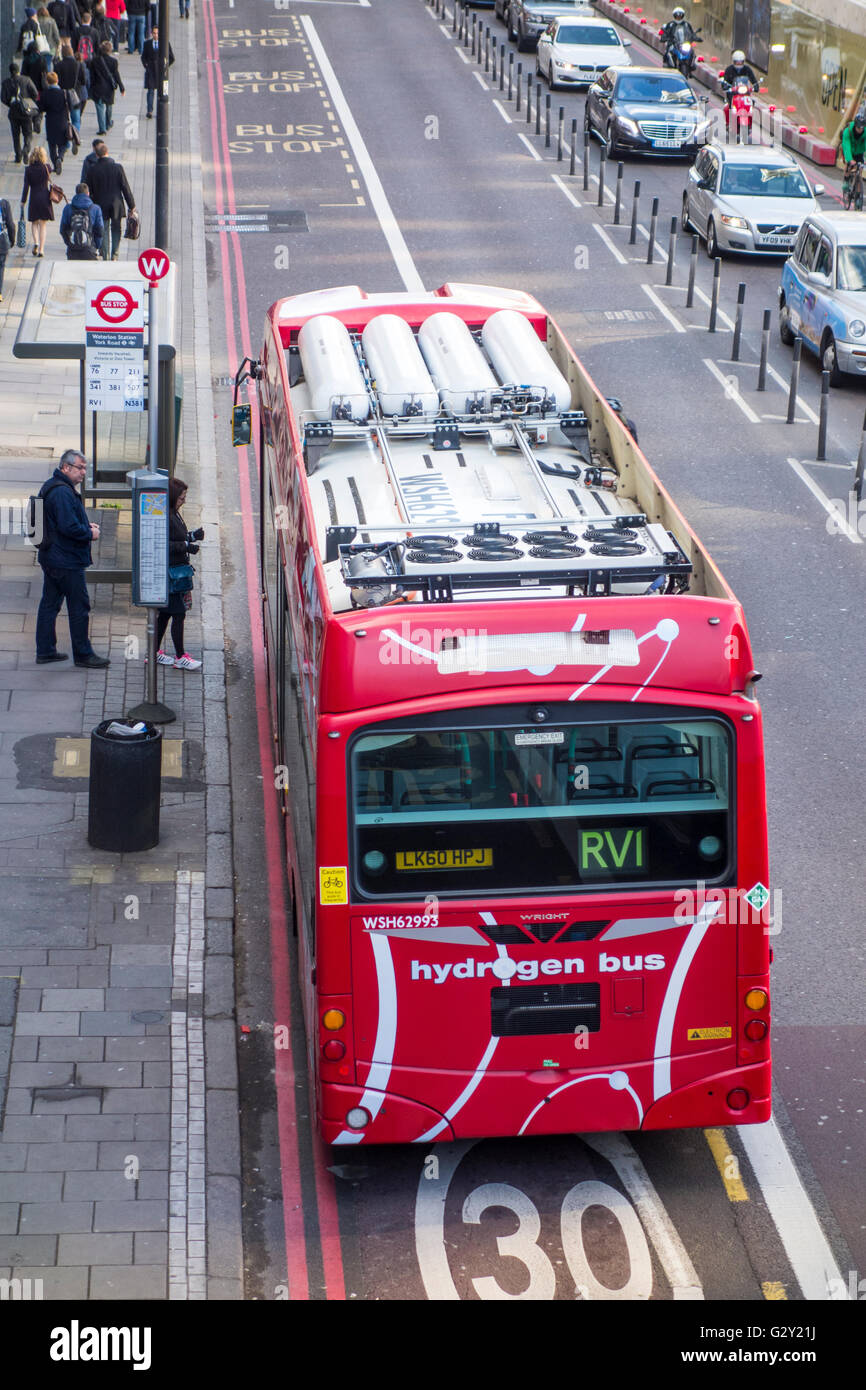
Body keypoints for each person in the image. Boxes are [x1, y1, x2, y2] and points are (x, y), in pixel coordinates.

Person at [35, 449, 109, 668]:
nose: (84, 472)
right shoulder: (62, 492)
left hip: (52, 556)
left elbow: (60, 522)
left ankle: (46, 650)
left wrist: (85, 525)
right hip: (65, 560)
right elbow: (68, 527)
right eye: (80, 468)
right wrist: (90, 533)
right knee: (79, 607)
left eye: (85, 468)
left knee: (50, 604)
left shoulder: (54, 485)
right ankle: (83, 654)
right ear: (66, 467)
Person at [157, 477, 203, 671]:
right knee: (178, 614)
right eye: (181, 498)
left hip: (175, 572)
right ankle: (180, 656)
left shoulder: (173, 513)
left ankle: (154, 653)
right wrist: (185, 545)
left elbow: (177, 536)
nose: (184, 501)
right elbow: (162, 544)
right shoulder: (165, 516)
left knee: (165, 615)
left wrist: (192, 536)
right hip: (171, 574)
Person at [84, 139, 134, 258]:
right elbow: (125, 187)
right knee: (116, 228)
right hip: (116, 204)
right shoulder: (118, 168)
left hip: (100, 204)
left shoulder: (92, 170)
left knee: (104, 229)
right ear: (108, 153)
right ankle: (115, 254)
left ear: (97, 155)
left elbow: (88, 190)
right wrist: (132, 205)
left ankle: (105, 255)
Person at [1, 61, 39, 163]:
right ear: (18, 70)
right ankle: (26, 149)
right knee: (28, 133)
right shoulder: (26, 80)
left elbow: (3, 98)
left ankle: (18, 156)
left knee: (15, 135)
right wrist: (29, 101)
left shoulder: (6, 82)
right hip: (26, 111)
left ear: (10, 71)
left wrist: (10, 103)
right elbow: (35, 93)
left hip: (13, 112)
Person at [20, 145, 54, 257]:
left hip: (34, 198)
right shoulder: (47, 167)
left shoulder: (28, 170)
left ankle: (35, 242)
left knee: (34, 223)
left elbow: (26, 187)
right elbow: (52, 170)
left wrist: (23, 201)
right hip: (45, 197)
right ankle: (41, 249)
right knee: (43, 225)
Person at [88, 37, 123, 133]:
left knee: (99, 107)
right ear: (110, 50)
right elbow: (116, 75)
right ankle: (108, 123)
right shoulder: (114, 61)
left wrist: (90, 88)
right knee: (109, 106)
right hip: (109, 88)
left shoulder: (95, 61)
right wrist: (121, 87)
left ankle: (102, 128)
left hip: (98, 87)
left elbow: (91, 76)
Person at [59, 181, 102, 258]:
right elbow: (100, 230)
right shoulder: (95, 209)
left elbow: (63, 229)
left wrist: (69, 243)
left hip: (73, 250)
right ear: (88, 193)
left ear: (76, 193)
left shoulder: (68, 208)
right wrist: (96, 246)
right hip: (90, 250)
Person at [39, 70, 69, 173]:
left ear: (47, 81)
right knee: (63, 143)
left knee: (52, 145)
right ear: (57, 80)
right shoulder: (64, 93)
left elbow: (41, 108)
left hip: (51, 122)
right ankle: (60, 157)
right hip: (62, 121)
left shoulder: (45, 94)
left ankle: (55, 163)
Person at [141, 25, 173, 119]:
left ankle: (161, 111)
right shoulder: (147, 43)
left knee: (162, 92)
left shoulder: (165, 43)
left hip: (161, 72)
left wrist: (165, 67)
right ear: (151, 33)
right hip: (150, 71)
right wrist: (146, 65)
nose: (155, 35)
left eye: (157, 33)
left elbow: (172, 58)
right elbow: (143, 57)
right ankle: (149, 111)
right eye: (154, 33)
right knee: (150, 91)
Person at [55, 38, 86, 134]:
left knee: (64, 119)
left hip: (62, 95)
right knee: (76, 119)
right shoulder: (78, 65)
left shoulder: (58, 65)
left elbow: (56, 81)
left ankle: (67, 138)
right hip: (75, 94)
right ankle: (75, 135)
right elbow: (84, 81)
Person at [0, 196, 15, 303]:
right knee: (0, 267)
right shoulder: (4, 204)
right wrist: (11, 240)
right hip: (1, 242)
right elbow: (10, 225)